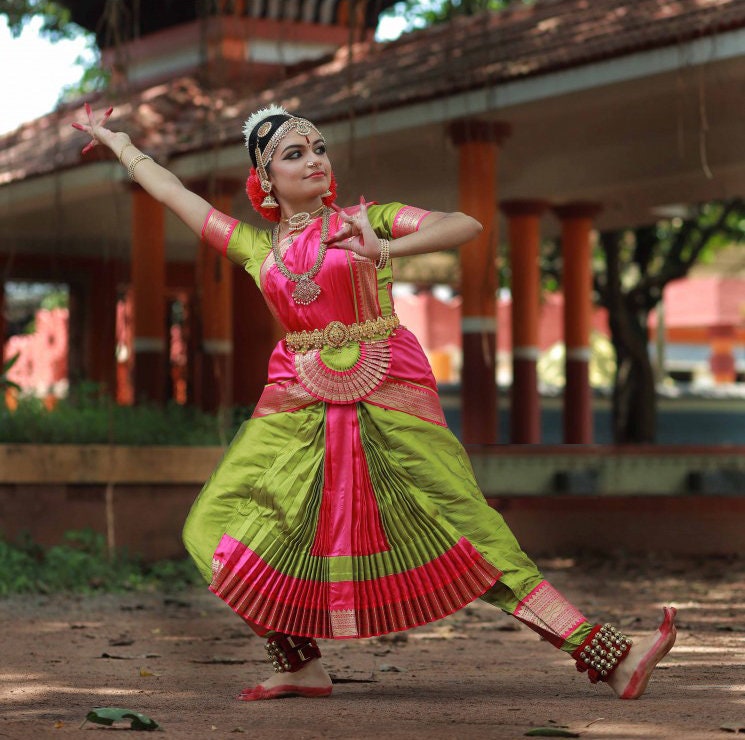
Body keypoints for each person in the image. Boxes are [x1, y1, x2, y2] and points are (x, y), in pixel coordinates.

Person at [73, 102, 676, 702]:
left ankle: (607, 656)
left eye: (318, 149)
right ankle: (297, 661)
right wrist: (121, 144)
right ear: (265, 180)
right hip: (295, 404)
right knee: (210, 526)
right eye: (294, 153)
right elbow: (180, 197)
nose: (315, 160)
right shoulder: (258, 250)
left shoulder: (369, 218)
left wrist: (384, 250)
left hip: (389, 389)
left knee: (468, 527)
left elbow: (463, 223)